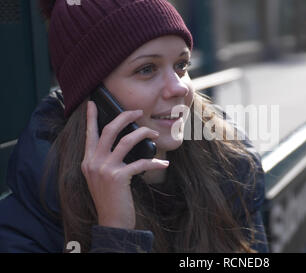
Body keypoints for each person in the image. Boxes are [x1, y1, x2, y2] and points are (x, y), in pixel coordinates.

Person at [0, 0, 268, 253]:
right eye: (147, 69)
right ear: (95, 98)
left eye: (181, 66)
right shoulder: (35, 216)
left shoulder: (230, 168)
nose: (178, 87)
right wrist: (115, 233)